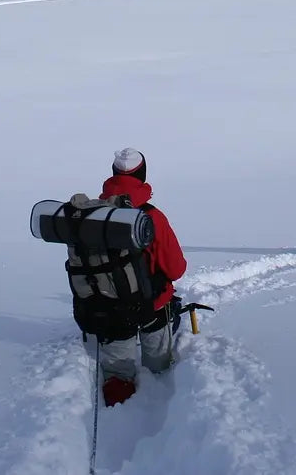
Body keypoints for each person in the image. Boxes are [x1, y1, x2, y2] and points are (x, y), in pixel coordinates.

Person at [94, 147, 187, 407]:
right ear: (142, 175)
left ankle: (119, 407)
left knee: (116, 377)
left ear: (113, 174)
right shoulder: (153, 217)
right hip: (152, 307)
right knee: (160, 368)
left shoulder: (94, 215)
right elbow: (176, 269)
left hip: (110, 308)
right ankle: (161, 407)